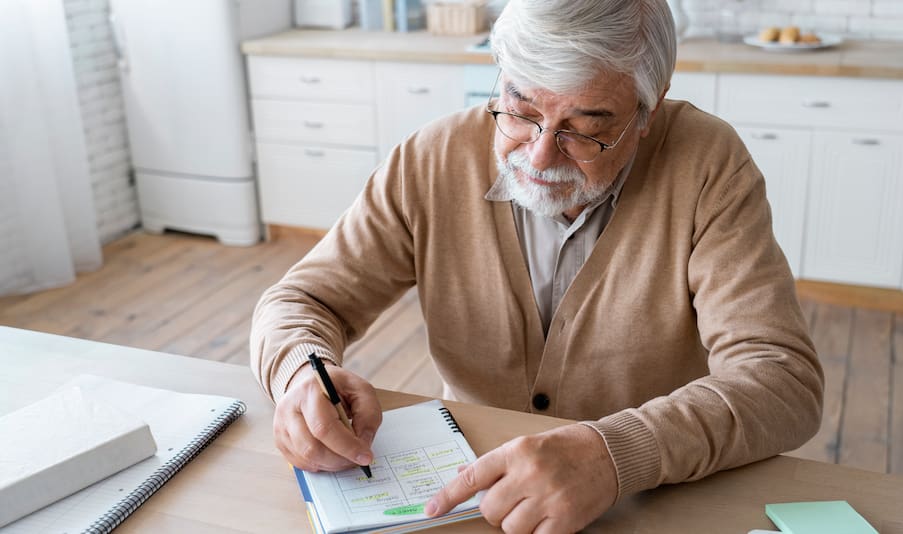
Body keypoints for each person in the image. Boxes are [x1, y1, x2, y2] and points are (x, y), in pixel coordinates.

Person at [249, 0, 824, 531]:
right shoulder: (431, 159)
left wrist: (614, 454)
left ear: (648, 108)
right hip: (469, 497)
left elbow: (781, 379)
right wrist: (302, 373)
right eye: (520, 111)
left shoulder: (707, 165)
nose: (540, 154)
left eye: (586, 129)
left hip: (645, 498)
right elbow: (301, 301)